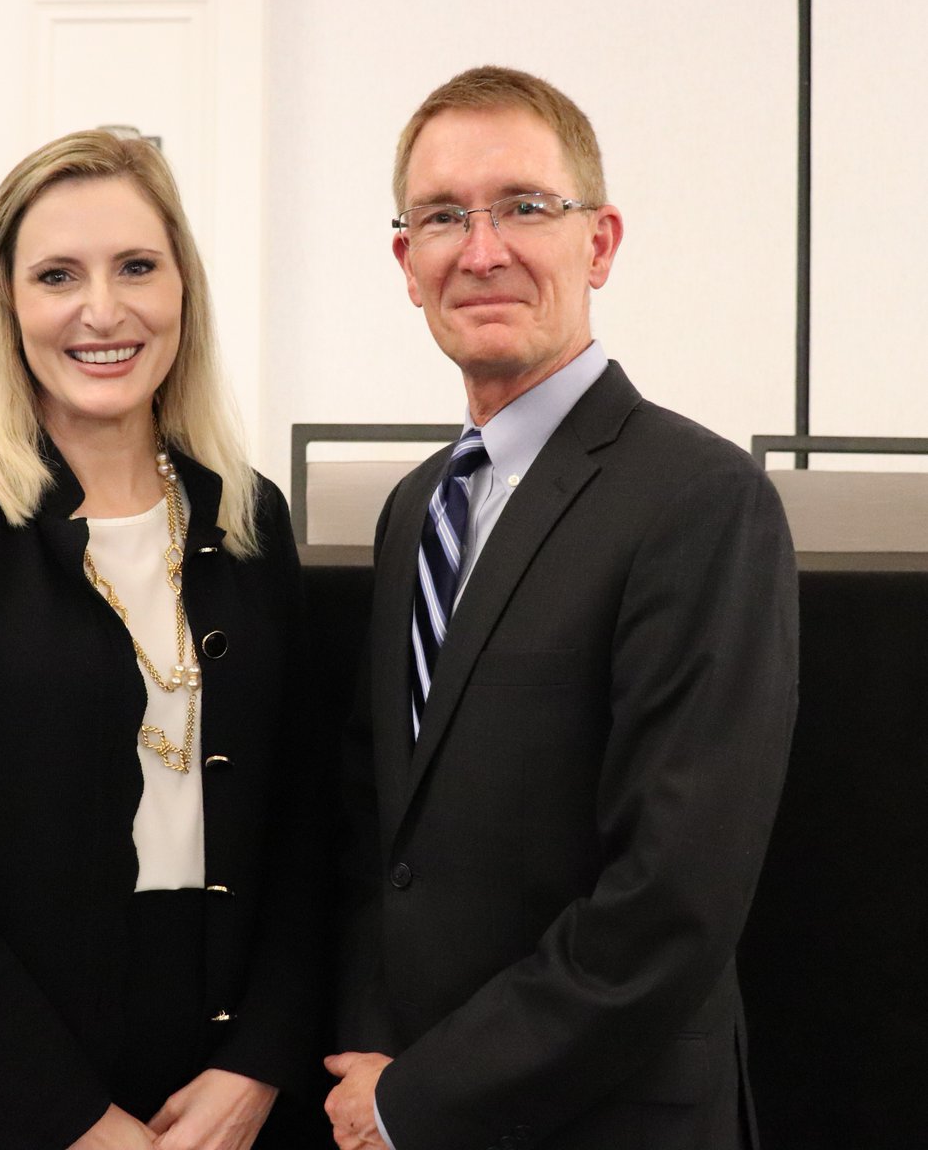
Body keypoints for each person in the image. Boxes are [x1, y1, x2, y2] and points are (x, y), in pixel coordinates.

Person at [325, 66, 798, 1150]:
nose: (481, 249)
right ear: (407, 263)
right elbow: (380, 832)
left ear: (601, 242)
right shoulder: (415, 511)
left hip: (605, 1119)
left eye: (526, 207)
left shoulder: (701, 499)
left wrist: (417, 1097)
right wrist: (371, 1064)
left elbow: (673, 899)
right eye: (444, 216)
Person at [0, 129, 327, 1150]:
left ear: (182, 288)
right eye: (58, 275)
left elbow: (308, 825)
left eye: (137, 267)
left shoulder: (251, 517)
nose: (104, 310)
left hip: (212, 1095)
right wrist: (70, 1122)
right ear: (7, 306)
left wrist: (257, 1065)